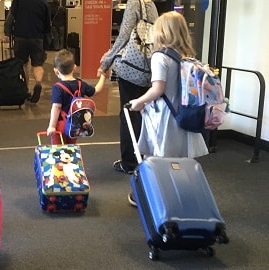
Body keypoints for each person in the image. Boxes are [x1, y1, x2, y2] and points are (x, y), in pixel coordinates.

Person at [127, 11, 209, 205]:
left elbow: (158, 89)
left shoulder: (160, 57)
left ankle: (150, 195)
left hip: (163, 115)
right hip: (182, 114)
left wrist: (139, 101)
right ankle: (180, 194)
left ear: (161, 32)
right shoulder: (185, 57)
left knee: (154, 156)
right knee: (178, 159)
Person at [98, 0, 159, 174]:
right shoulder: (151, 4)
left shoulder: (134, 3)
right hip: (148, 68)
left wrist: (106, 61)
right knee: (143, 114)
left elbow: (124, 36)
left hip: (131, 69)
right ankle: (145, 159)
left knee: (128, 114)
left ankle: (129, 162)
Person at [47, 49, 108, 145]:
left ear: (56, 71)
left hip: (61, 124)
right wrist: (103, 76)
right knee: (71, 149)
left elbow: (56, 107)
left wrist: (52, 126)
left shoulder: (57, 87)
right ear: (74, 68)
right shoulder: (81, 84)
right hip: (75, 124)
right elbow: (96, 91)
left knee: (58, 150)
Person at [3, 0, 51, 105]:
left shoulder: (18, 1)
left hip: (21, 37)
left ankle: (26, 90)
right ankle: (38, 83)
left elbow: (10, 18)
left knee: (23, 64)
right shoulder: (43, 3)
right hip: (37, 38)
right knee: (37, 64)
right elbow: (48, 24)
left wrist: (7, 33)